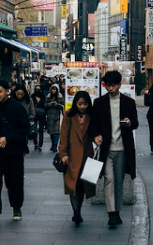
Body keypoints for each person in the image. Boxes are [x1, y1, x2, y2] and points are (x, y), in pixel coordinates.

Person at [89, 70, 138, 228]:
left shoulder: (128, 102)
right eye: (108, 85)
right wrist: (96, 136)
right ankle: (111, 213)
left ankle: (117, 211)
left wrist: (129, 122)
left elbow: (136, 123)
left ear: (119, 84)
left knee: (119, 180)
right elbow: (93, 124)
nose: (110, 88)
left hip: (123, 148)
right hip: (106, 148)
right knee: (109, 179)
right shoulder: (99, 102)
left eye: (113, 85)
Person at [0, 80, 30, 226]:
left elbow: (24, 129)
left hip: (13, 152)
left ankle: (16, 208)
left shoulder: (18, 108)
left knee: (14, 182)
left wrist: (7, 138)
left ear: (8, 91)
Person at [58, 91, 96, 226]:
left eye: (85, 104)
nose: (82, 107)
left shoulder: (92, 115)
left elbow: (95, 132)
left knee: (82, 185)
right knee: (72, 185)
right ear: (75, 103)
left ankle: (78, 210)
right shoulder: (69, 114)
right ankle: (76, 212)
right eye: (80, 104)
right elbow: (63, 135)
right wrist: (63, 154)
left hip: (87, 154)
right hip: (72, 154)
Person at [45, 84, 65, 152]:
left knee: (57, 132)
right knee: (51, 132)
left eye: (55, 89)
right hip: (50, 116)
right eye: (52, 89)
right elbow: (45, 105)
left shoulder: (60, 96)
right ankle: (53, 144)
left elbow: (63, 105)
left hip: (58, 115)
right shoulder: (48, 96)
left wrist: (58, 105)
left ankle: (55, 145)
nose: (53, 90)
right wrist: (50, 104)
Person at [31, 86, 46, 151]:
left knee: (41, 130)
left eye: (39, 89)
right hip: (34, 114)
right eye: (36, 89)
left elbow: (45, 105)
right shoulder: (32, 97)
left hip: (42, 115)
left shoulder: (43, 97)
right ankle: (35, 143)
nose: (37, 90)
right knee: (34, 130)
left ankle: (40, 144)